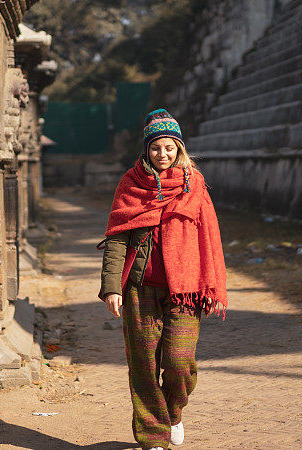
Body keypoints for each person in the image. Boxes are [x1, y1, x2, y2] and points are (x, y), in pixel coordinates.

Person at [98, 108, 228, 449]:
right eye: (156, 147)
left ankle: (174, 414)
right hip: (139, 290)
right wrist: (112, 287)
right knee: (143, 366)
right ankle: (153, 437)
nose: (163, 154)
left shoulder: (194, 184)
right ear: (147, 149)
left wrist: (211, 284)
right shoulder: (130, 184)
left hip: (184, 289)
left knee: (179, 363)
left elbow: (208, 235)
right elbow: (116, 239)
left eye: (169, 147)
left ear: (179, 148)